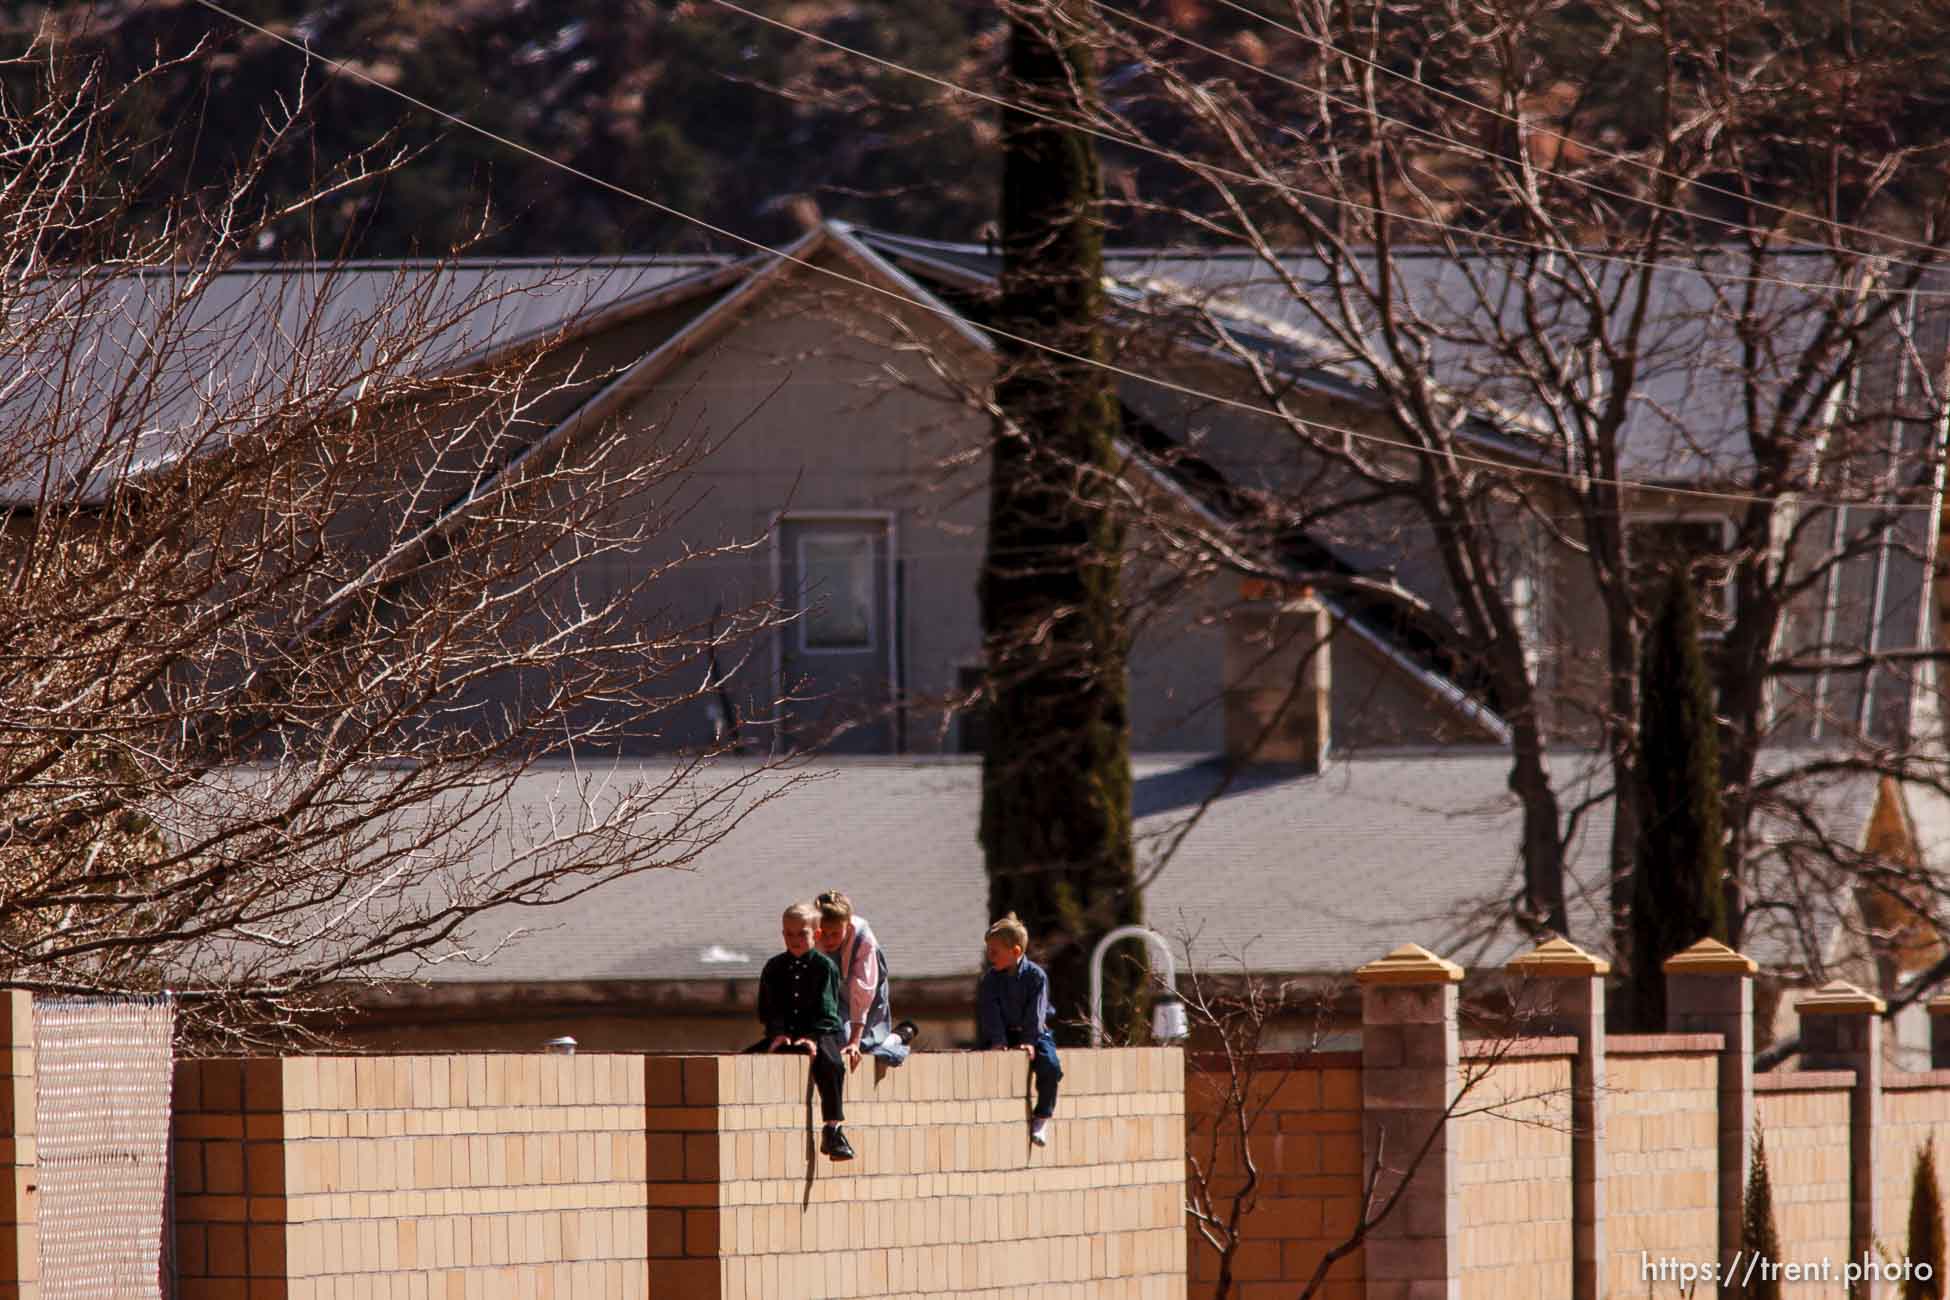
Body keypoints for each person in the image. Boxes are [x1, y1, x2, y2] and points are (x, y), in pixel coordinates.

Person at [748, 900, 854, 1160]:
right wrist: (778, 1032)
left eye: (802, 934)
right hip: (785, 1033)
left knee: (831, 1064)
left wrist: (813, 1037)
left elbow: (827, 1009)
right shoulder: (774, 967)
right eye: (789, 934)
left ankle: (833, 1129)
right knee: (747, 1058)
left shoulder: (825, 967)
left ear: (816, 935)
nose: (795, 940)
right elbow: (768, 1006)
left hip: (818, 1032)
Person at [976, 911, 1062, 1147]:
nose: (990, 956)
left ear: (1015, 952)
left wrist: (1030, 1040)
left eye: (995, 952)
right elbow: (990, 1013)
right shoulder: (990, 981)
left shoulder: (1036, 977)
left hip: (1034, 1033)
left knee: (1050, 1066)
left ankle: (1042, 1117)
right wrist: (998, 1039)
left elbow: (1037, 1012)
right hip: (1004, 1032)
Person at [814, 890, 918, 1069]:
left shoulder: (863, 940)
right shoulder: (811, 932)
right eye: (824, 933)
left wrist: (854, 1040)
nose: (828, 940)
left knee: (861, 1046)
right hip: (835, 995)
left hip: (866, 995)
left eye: (835, 934)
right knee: (833, 1044)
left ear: (847, 926)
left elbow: (861, 990)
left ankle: (898, 1038)